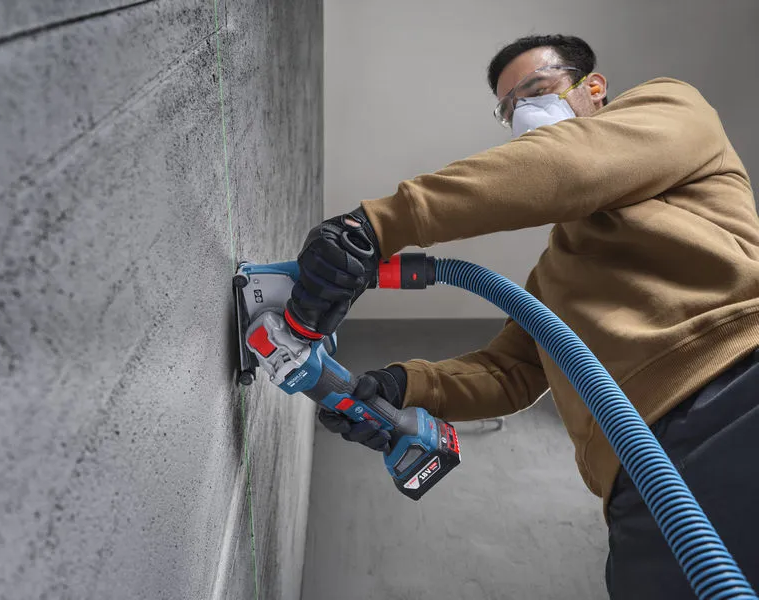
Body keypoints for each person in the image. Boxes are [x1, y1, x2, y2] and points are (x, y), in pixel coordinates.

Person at [287, 34, 759, 599]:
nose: (523, 114)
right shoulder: (552, 278)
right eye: (509, 108)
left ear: (594, 89)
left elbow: (570, 166)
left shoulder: (672, 108)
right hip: (635, 484)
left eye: (536, 91)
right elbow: (509, 373)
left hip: (739, 395)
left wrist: (377, 225)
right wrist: (402, 385)